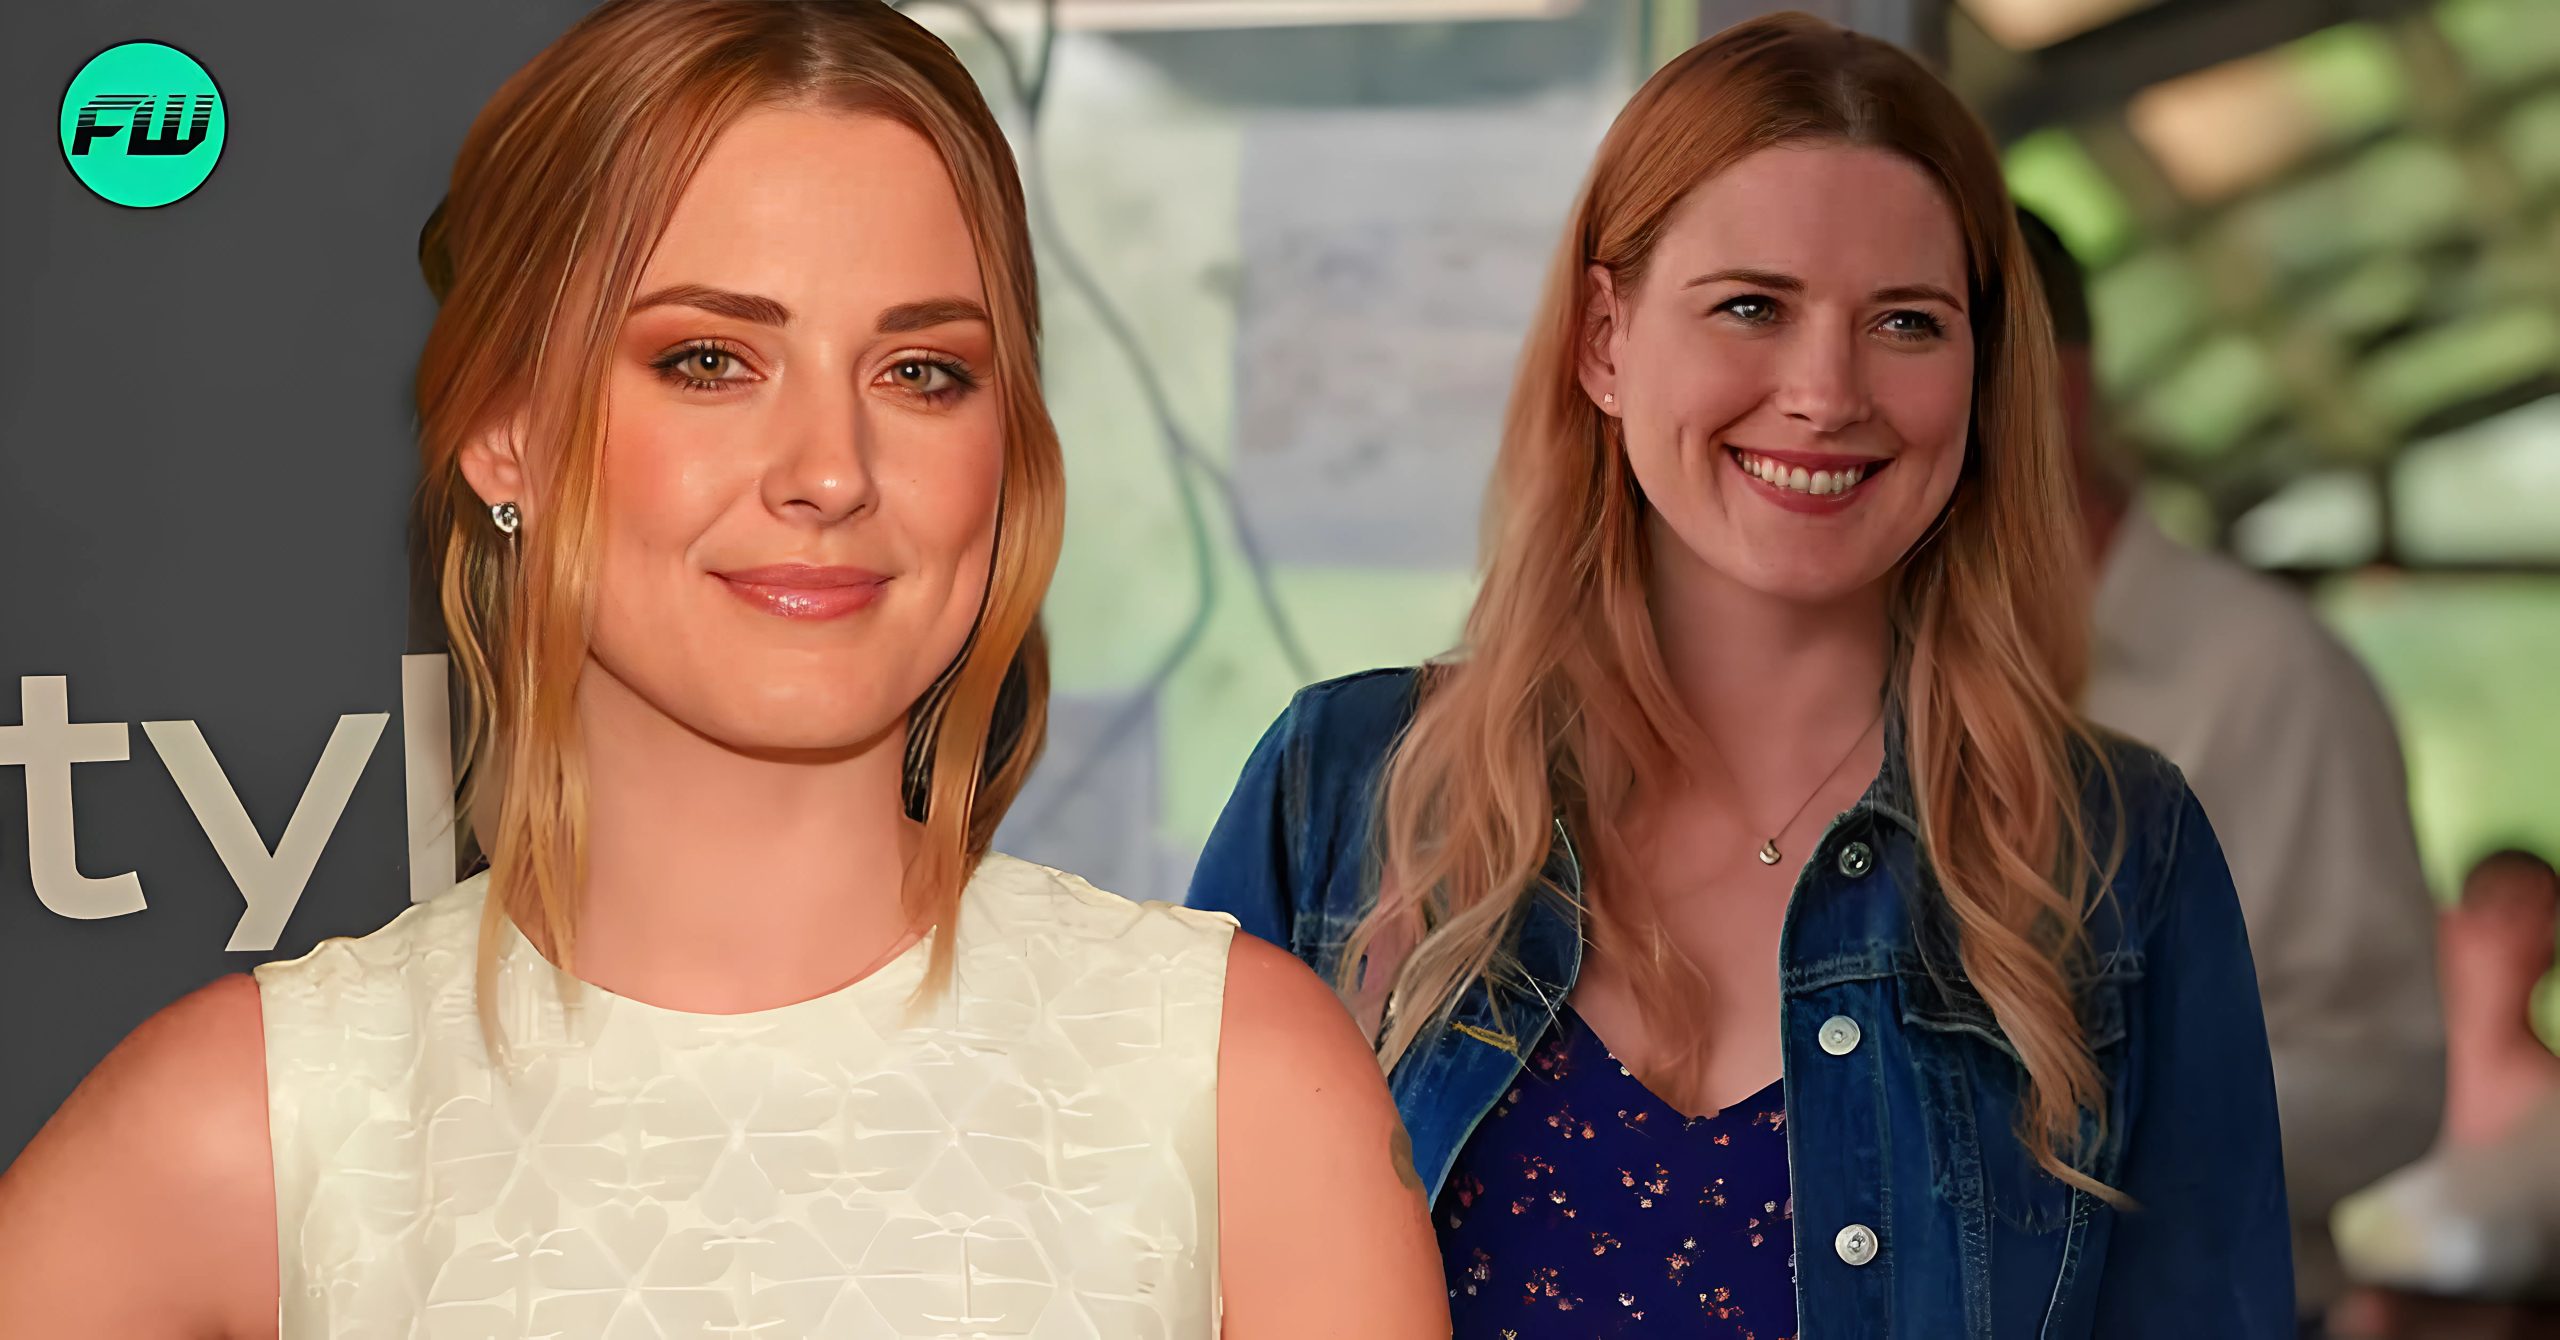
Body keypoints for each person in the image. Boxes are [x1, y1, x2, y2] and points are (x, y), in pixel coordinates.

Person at [0, 4, 1446, 1336]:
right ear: (504, 430)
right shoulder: (239, 1135)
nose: (832, 468)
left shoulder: (1236, 1091)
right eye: (708, 360)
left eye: (921, 372)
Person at [1188, 12, 2293, 1336]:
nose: (1826, 392)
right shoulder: (1339, 795)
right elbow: (1158, 1287)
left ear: (1981, 374)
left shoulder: (2118, 854)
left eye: (1907, 323)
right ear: (1605, 340)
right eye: (1752, 307)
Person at [2013, 207, 2447, 1325]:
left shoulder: (2270, 675)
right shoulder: (1867, 666)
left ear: (2056, 390)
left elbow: (2386, 1076)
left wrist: (2049, 1135)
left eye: (1917, 335)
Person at [2332, 849, 2560, 1321]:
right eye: (2501, 913)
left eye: (2539, 920)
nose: (2515, 940)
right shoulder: (2375, 1091)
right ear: (2450, 925)